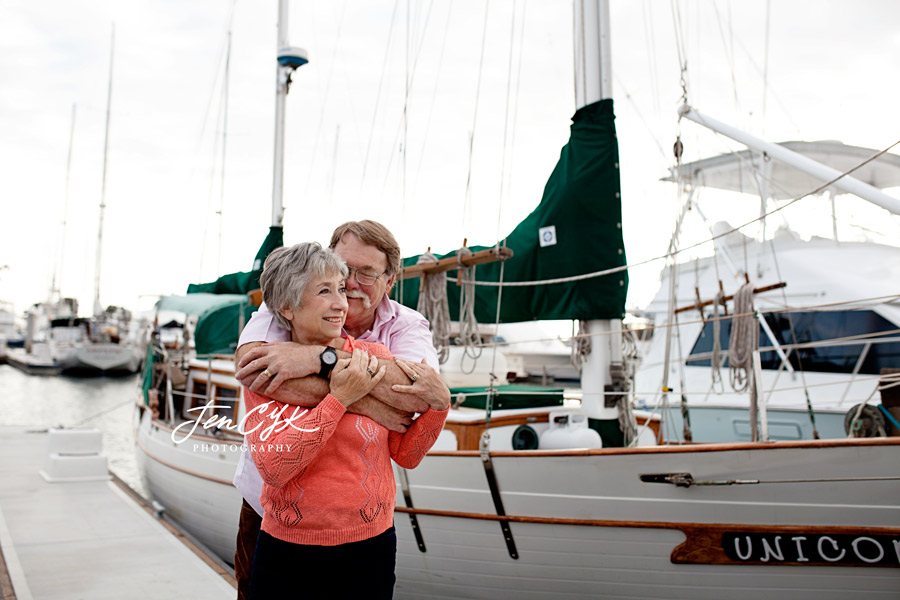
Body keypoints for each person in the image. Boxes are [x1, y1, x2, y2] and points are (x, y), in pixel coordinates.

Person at [232, 220, 450, 600]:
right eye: (330, 284)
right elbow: (274, 464)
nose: (345, 293)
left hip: (370, 545)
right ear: (287, 306)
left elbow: (408, 447)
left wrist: (440, 405)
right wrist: (349, 397)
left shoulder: (387, 345)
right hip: (284, 539)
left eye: (364, 274)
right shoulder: (272, 336)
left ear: (390, 279)